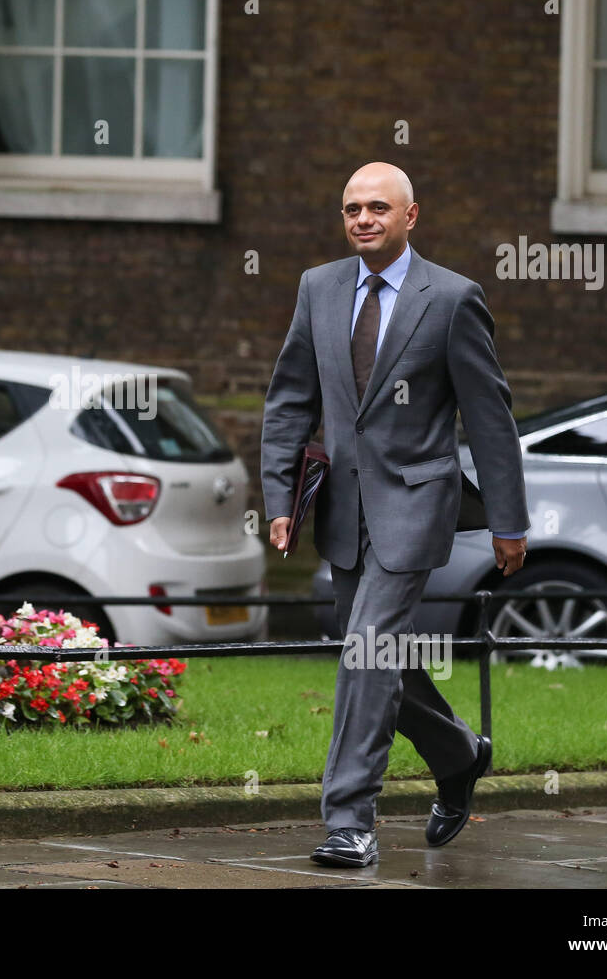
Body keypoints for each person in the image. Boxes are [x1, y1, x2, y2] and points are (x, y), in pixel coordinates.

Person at [260, 162, 529, 868]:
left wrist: (509, 520)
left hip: (416, 500)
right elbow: (290, 397)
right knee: (379, 655)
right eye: (352, 208)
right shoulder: (317, 288)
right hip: (345, 511)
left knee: (365, 648)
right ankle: (459, 753)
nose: (363, 219)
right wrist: (280, 497)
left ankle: (350, 817)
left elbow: (490, 417)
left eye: (379, 207)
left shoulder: (452, 298)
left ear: (412, 216)